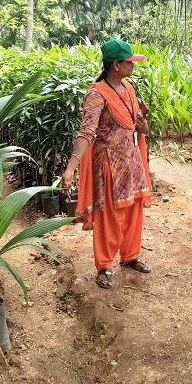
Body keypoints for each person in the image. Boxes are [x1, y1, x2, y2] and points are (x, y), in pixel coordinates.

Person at [62, 38, 152, 289]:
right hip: (109, 164)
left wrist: (143, 126)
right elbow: (87, 132)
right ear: (115, 65)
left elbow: (134, 123)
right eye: (129, 62)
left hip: (131, 159)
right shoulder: (96, 94)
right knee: (110, 216)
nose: (133, 66)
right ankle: (104, 265)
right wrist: (71, 166)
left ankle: (130, 255)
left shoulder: (128, 88)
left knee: (134, 210)